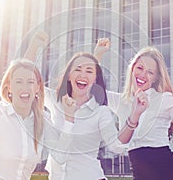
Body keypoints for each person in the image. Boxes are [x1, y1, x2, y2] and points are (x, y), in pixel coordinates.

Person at [24, 34, 147, 180]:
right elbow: (25, 75)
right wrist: (33, 47)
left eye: (89, 72)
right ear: (69, 75)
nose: (83, 75)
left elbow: (116, 146)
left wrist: (134, 117)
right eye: (77, 70)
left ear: (95, 80)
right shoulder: (55, 100)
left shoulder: (100, 112)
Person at [94, 38, 173, 180]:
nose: (143, 74)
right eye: (140, 68)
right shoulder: (121, 101)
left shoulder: (163, 100)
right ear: (132, 68)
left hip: (171, 172)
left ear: (156, 78)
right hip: (141, 172)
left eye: (150, 72)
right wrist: (97, 57)